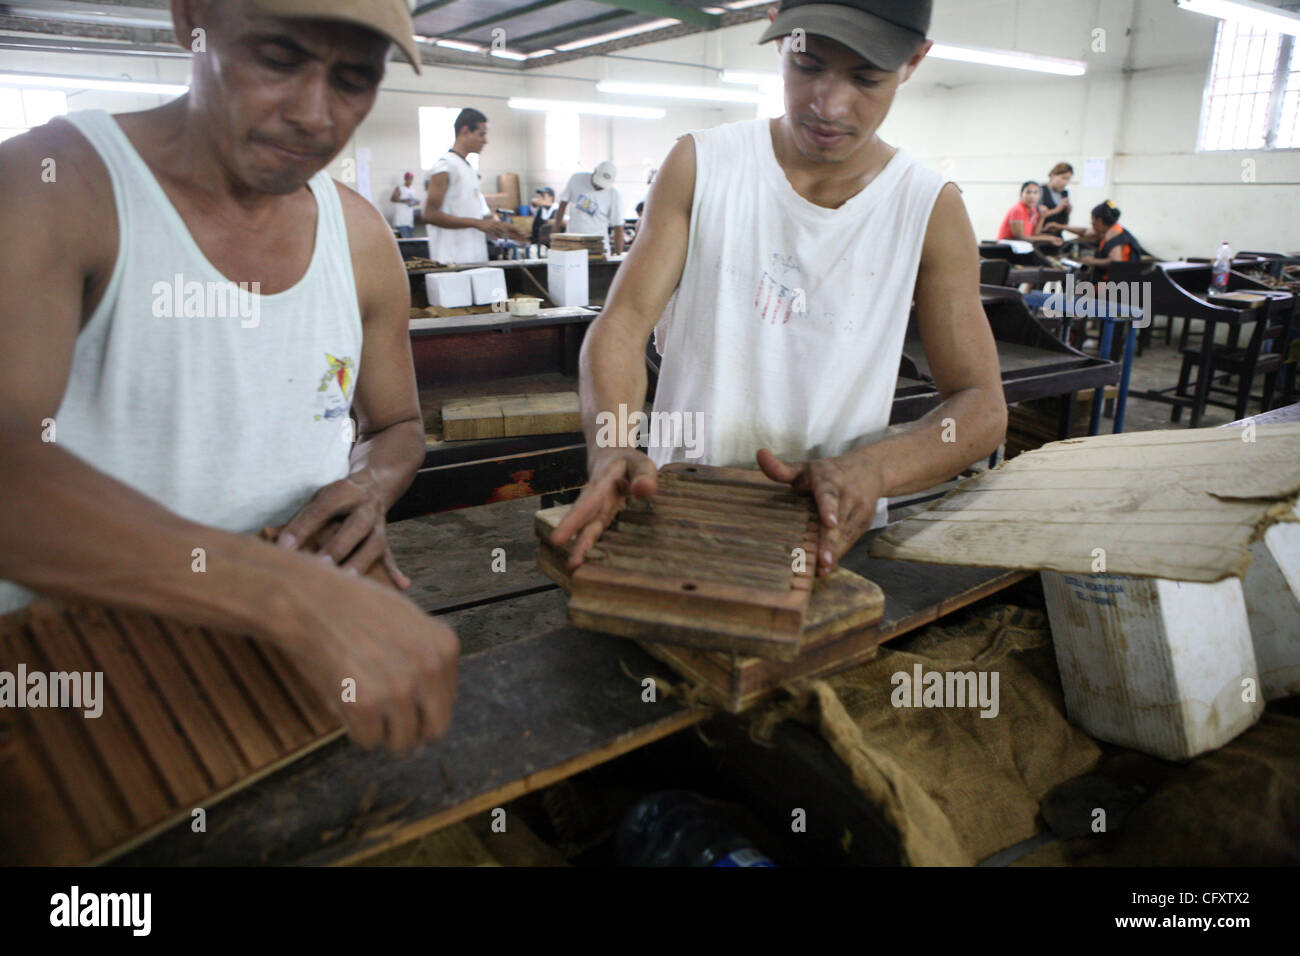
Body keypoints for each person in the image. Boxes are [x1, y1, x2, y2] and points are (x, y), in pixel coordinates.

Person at [0, 0, 458, 753]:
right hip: (68, 687)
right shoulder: (57, 187)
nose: (315, 115)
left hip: (276, 680)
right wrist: (281, 590)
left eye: (352, 79)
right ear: (191, 20)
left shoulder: (361, 238)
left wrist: (368, 488)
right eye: (278, 58)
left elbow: (398, 427)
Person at [551, 0, 1007, 578]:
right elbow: (621, 324)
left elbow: (981, 406)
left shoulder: (927, 208)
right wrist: (611, 443)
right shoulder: (703, 164)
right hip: (675, 506)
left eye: (866, 78)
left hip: (825, 531)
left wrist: (876, 470)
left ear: (915, 61)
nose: (829, 104)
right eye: (807, 64)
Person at [422, 108, 522, 263]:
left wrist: (502, 228)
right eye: (481, 134)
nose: (485, 140)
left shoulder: (467, 168)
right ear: (465, 131)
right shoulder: (445, 167)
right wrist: (477, 223)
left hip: (472, 257)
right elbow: (430, 214)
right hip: (450, 260)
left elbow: (471, 215)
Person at [556, 161, 625, 255]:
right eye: (596, 183)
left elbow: (618, 227)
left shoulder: (614, 195)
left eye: (602, 186)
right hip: (573, 243)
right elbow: (562, 206)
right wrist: (556, 235)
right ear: (594, 172)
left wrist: (618, 255)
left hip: (598, 247)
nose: (598, 187)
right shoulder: (576, 179)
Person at [1078, 201, 1144, 278]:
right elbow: (1087, 232)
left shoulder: (1112, 233)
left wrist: (1092, 261)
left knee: (1079, 288)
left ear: (1099, 221)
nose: (1093, 226)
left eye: (1093, 223)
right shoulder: (1116, 229)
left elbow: (1115, 261)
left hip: (1118, 284)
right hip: (1123, 280)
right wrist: (1063, 227)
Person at [996, 181, 1062, 245]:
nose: (1032, 196)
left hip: (1023, 246)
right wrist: (1048, 238)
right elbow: (1020, 237)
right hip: (1006, 247)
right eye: (1028, 192)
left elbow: (1035, 235)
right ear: (1021, 194)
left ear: (1039, 196)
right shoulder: (1018, 209)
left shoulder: (1033, 210)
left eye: (1035, 193)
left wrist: (1042, 217)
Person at [1037, 162, 1073, 234]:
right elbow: (1036, 216)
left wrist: (1068, 212)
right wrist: (1058, 209)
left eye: (1068, 179)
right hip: (1042, 234)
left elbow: (1065, 223)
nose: (1065, 182)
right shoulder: (1040, 191)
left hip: (1057, 234)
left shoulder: (1064, 194)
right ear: (1053, 175)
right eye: (1063, 178)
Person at [389, 170, 419, 237]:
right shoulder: (400, 188)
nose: (410, 180)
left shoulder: (413, 190)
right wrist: (404, 201)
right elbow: (392, 199)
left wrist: (415, 203)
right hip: (401, 221)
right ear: (405, 179)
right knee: (404, 243)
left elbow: (411, 202)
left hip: (409, 221)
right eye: (409, 179)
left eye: (411, 179)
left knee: (411, 243)